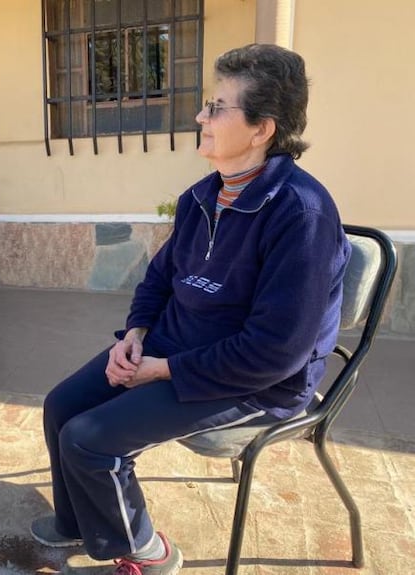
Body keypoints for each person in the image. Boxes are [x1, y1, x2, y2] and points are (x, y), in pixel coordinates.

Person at [30, 43, 351, 575]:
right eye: (207, 103)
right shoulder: (202, 196)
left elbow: (276, 352)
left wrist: (164, 369)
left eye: (217, 107)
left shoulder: (301, 214)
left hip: (255, 381)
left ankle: (148, 551)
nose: (201, 116)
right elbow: (159, 279)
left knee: (90, 442)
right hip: (174, 347)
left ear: (261, 128)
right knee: (62, 405)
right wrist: (134, 336)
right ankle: (79, 522)